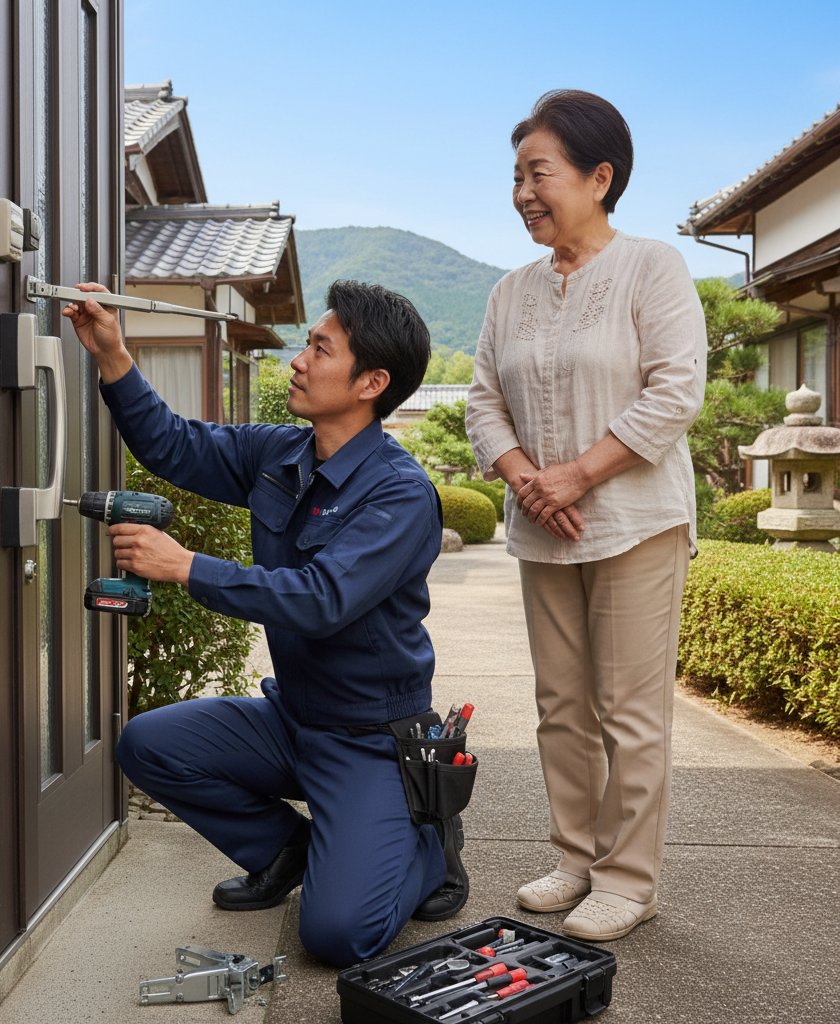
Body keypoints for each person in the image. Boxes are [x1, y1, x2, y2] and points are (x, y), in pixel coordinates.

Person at [62, 279, 467, 968]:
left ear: (371, 383)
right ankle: (287, 851)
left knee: (337, 936)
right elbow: (174, 446)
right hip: (293, 720)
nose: (298, 362)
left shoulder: (399, 494)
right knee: (147, 745)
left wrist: (185, 565)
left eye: (321, 350)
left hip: (369, 741)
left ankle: (427, 845)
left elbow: (320, 599)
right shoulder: (279, 454)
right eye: (307, 344)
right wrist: (111, 355)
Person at [465, 90, 706, 942]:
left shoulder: (653, 268)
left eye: (540, 174)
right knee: (561, 705)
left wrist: (577, 475)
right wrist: (530, 480)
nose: (524, 193)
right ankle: (575, 859)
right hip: (544, 528)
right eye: (516, 177)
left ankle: (629, 880)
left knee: (630, 712)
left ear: (600, 178)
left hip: (636, 521)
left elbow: (676, 391)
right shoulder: (509, 293)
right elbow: (483, 403)